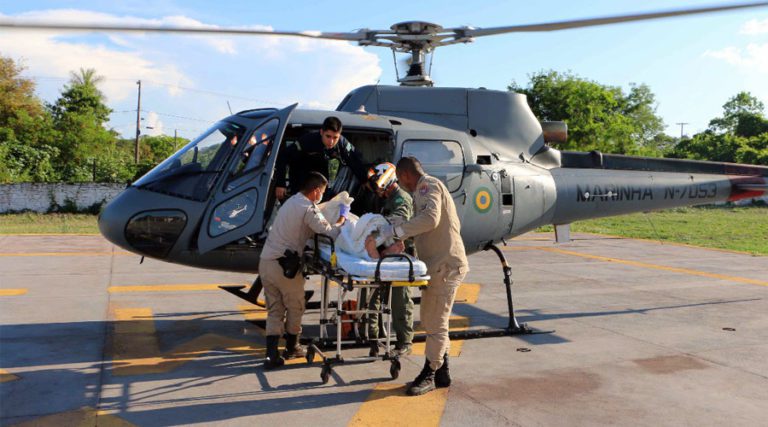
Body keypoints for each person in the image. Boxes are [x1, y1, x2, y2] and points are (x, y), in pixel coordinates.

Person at [381, 156, 468, 396]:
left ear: (406, 175)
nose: (401, 184)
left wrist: (398, 231)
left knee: (435, 323)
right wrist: (402, 236)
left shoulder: (427, 186)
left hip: (445, 266)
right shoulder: (422, 190)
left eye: (400, 179)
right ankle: (442, 373)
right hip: (437, 266)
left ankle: (430, 372)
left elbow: (431, 219)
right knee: (432, 321)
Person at [259, 172, 347, 370]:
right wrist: (342, 217)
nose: (322, 196)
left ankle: (270, 355)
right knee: (296, 306)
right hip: (285, 267)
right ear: (316, 191)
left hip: (266, 262)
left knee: (274, 309)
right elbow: (330, 231)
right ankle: (292, 347)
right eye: (322, 192)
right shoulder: (309, 209)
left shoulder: (292, 202)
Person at [365, 162, 415, 357]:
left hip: (401, 255)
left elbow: (399, 224)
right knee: (375, 297)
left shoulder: (401, 199)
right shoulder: (388, 198)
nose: (376, 188)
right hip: (387, 255)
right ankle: (373, 338)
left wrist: (376, 240)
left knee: (400, 300)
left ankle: (405, 342)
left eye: (377, 183)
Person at [274, 116, 367, 201]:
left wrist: (365, 180)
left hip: (321, 183)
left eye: (335, 138)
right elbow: (283, 156)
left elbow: (355, 159)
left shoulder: (342, 143)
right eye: (328, 136)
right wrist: (280, 184)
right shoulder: (308, 140)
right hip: (300, 181)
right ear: (321, 132)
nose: (331, 141)